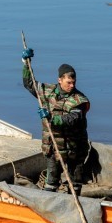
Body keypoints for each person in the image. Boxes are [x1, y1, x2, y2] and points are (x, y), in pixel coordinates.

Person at [22, 48, 90, 194]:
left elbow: (72, 119)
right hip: (54, 148)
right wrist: (26, 64)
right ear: (60, 80)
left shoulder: (80, 100)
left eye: (74, 82)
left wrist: (51, 118)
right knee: (51, 183)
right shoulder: (47, 91)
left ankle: (73, 204)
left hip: (74, 150)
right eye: (69, 82)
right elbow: (29, 83)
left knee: (74, 184)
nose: (72, 86)